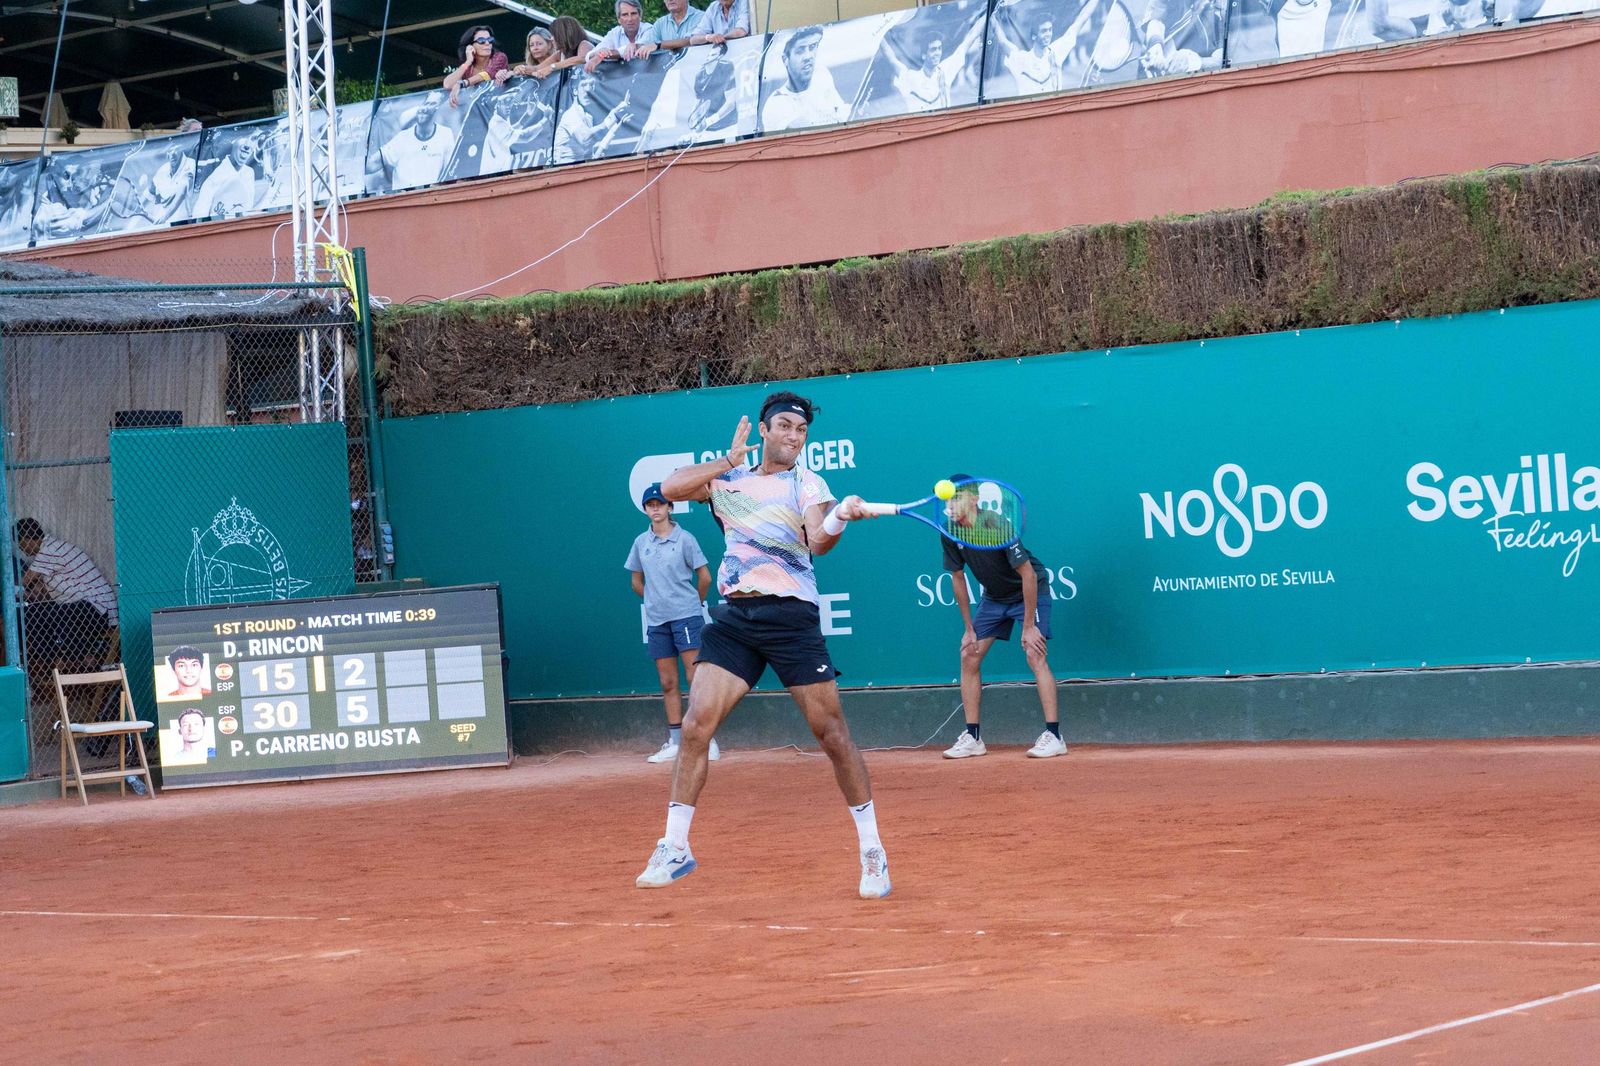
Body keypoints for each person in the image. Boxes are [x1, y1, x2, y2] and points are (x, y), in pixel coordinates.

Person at [634, 391, 891, 900]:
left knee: (832, 735)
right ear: (766, 429)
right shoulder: (730, 477)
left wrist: (840, 517)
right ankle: (675, 845)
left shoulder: (807, 482)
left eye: (802, 430)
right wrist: (729, 459)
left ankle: (872, 851)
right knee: (693, 727)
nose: (794, 436)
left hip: (791, 618)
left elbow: (817, 539)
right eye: (786, 426)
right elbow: (670, 486)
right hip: (735, 619)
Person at [934, 476, 1065, 760]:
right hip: (994, 597)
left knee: (1034, 652)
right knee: (969, 654)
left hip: (1028, 590)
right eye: (948, 500)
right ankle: (973, 737)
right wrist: (969, 628)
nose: (951, 505)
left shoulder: (996, 525)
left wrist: (1029, 626)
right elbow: (957, 579)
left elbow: (1028, 575)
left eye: (956, 498)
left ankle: (1055, 736)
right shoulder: (949, 532)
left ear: (974, 500)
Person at [626, 483, 720, 764]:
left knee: (695, 680)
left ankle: (706, 740)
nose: (655, 508)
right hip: (657, 621)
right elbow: (635, 582)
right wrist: (655, 599)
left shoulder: (685, 539)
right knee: (668, 682)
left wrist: (693, 602)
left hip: (687, 617)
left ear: (670, 507)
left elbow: (705, 578)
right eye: (650, 505)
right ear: (645, 510)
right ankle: (676, 742)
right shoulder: (641, 543)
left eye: (660, 504)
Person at [14, 518, 118, 678]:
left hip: (99, 608)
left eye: (21, 545)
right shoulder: (46, 557)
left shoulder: (50, 549)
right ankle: (51, 661)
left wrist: (10, 586)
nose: (23, 551)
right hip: (80, 609)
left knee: (60, 614)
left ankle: (84, 660)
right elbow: (40, 595)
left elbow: (26, 579)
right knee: (31, 614)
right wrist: (26, 595)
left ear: (28, 538)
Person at [760, 26, 848, 131]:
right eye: (800, 51)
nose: (808, 56)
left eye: (812, 47)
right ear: (785, 59)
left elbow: (841, 112)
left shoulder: (821, 74)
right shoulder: (776, 103)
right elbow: (809, 131)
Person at [377, 91, 457, 191]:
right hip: (405, 197)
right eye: (426, 103)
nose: (425, 110)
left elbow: (450, 171)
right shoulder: (402, 137)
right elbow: (377, 163)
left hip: (433, 194)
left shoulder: (446, 134)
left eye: (432, 104)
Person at [554, 73, 634, 162]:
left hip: (580, 170)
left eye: (591, 84)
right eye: (584, 85)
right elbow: (585, 138)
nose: (588, 89)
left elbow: (592, 155)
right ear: (575, 91)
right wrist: (611, 118)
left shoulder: (588, 117)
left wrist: (615, 127)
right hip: (565, 172)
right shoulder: (570, 115)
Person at [193, 132, 260, 218]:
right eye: (243, 140)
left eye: (251, 140)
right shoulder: (215, 177)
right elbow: (200, 213)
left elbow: (250, 205)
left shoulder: (249, 172)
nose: (247, 145)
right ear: (233, 143)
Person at [883, 33, 951, 113]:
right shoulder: (911, 77)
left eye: (940, 48)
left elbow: (964, 45)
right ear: (924, 55)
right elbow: (891, 58)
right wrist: (879, 34)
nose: (937, 53)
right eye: (933, 49)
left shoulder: (944, 70)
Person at [446, 26, 511, 107]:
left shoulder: (499, 57)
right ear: (470, 46)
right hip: (478, 113)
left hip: (499, 109)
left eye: (490, 40)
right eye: (481, 41)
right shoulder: (468, 67)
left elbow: (487, 74)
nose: (487, 43)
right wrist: (468, 61)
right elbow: (447, 84)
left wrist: (461, 84)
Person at [586, 0, 658, 71]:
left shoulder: (649, 29)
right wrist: (598, 54)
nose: (630, 19)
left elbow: (635, 48)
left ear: (640, 16)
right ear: (619, 19)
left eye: (633, 13)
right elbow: (590, 55)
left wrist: (602, 55)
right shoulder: (614, 33)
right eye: (625, 15)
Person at [636, 0, 704, 58]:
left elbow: (691, 40)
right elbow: (646, 44)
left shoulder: (701, 17)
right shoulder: (660, 23)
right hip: (669, 71)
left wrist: (659, 45)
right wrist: (634, 46)